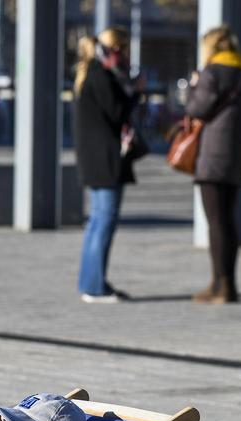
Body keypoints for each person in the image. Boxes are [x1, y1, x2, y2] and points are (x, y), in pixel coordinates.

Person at [184, 25, 241, 304]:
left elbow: (196, 109)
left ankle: (220, 284)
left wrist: (193, 87)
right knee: (227, 219)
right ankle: (229, 282)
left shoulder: (212, 74)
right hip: (237, 157)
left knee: (216, 222)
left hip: (213, 156)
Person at [74, 28, 141, 304]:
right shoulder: (102, 74)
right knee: (104, 221)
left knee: (97, 222)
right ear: (117, 49)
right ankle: (95, 287)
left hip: (95, 158)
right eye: (124, 50)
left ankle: (90, 282)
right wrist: (135, 93)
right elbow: (117, 112)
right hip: (105, 159)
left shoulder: (89, 71)